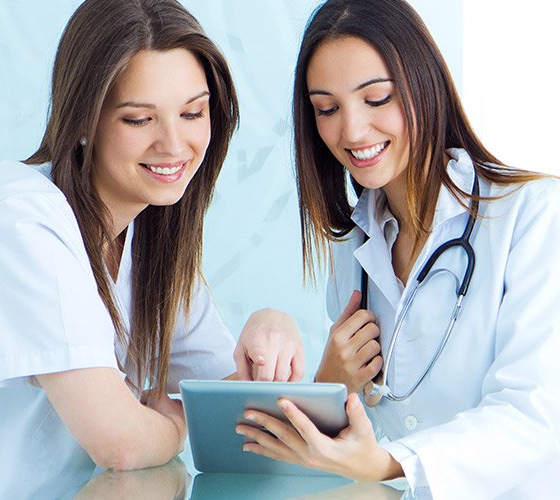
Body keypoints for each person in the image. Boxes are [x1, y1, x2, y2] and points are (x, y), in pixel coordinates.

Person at [0, 0, 303, 497]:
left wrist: (272, 323)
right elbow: (120, 443)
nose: (173, 144)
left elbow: (239, 413)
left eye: (192, 112)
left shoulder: (151, 236)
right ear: (82, 120)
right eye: (138, 119)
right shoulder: (21, 217)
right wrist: (175, 428)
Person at [235, 0, 560, 498]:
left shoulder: (534, 216)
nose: (352, 131)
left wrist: (390, 463)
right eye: (327, 109)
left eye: (377, 98)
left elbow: (534, 413)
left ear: (424, 85)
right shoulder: (354, 248)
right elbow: (352, 445)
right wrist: (332, 383)